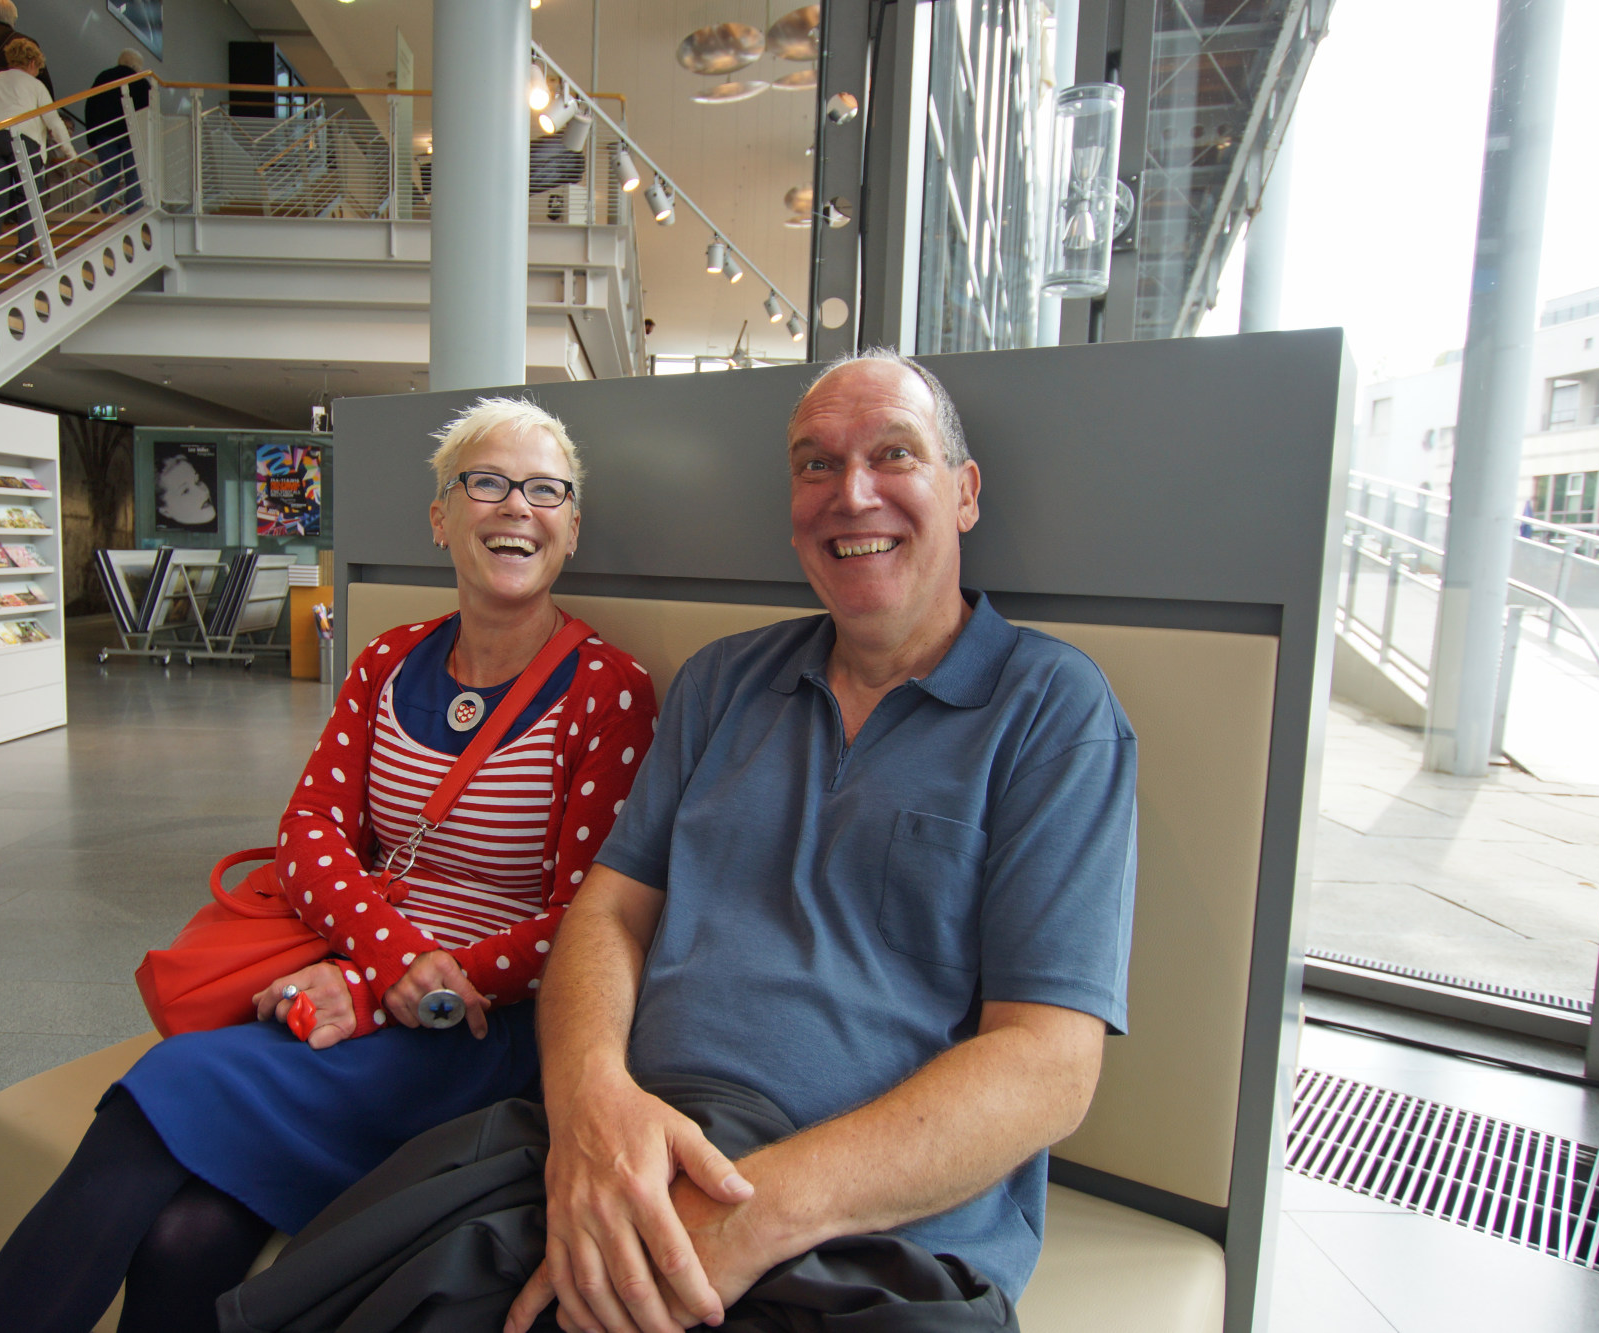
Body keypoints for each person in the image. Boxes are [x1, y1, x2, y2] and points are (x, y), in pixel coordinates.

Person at [234, 351, 1137, 1333]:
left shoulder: (1051, 710)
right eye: (816, 464)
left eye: (893, 454)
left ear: (963, 493)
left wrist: (749, 1215)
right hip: (631, 1138)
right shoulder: (724, 684)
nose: (851, 494)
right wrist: (590, 1109)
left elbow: (1047, 1063)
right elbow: (607, 915)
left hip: (870, 1226)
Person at [0, 398, 658, 1333]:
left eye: (545, 490)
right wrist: (388, 962)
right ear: (440, 516)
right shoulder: (387, 661)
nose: (516, 507)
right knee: (186, 1233)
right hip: (358, 976)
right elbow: (310, 832)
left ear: (570, 526)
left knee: (164, 1087)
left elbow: (585, 921)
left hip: (485, 1029)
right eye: (487, 482)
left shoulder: (609, 693)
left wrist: (389, 990)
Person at [0, 37, 77, 278]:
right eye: (38, 67)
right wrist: (70, 152)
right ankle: (24, 250)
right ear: (32, 63)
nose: (38, 72)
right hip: (23, 139)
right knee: (30, 196)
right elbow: (53, 121)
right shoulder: (36, 86)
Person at [86, 48, 151, 213]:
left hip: (105, 134)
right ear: (137, 66)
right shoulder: (142, 83)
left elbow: (90, 107)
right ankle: (134, 212)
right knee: (134, 176)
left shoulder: (103, 77)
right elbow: (148, 114)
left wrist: (91, 139)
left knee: (110, 174)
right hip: (132, 136)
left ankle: (99, 205)